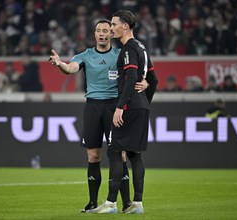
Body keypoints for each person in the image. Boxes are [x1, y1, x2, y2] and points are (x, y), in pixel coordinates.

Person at [48, 19, 148, 213]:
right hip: (93, 107)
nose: (101, 33)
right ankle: (93, 203)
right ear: (94, 35)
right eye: (98, 31)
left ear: (111, 34)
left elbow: (139, 73)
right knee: (93, 156)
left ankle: (126, 203)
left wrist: (146, 83)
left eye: (105, 30)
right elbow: (71, 69)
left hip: (115, 106)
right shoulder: (85, 55)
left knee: (119, 155)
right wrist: (60, 63)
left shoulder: (121, 54)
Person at [90, 10, 158, 214]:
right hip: (141, 105)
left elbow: (130, 79)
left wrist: (120, 107)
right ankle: (137, 204)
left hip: (129, 106)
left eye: (113, 24)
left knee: (114, 151)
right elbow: (153, 80)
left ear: (125, 26)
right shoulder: (142, 48)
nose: (111, 28)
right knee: (135, 155)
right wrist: (144, 102)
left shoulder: (128, 49)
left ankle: (110, 203)